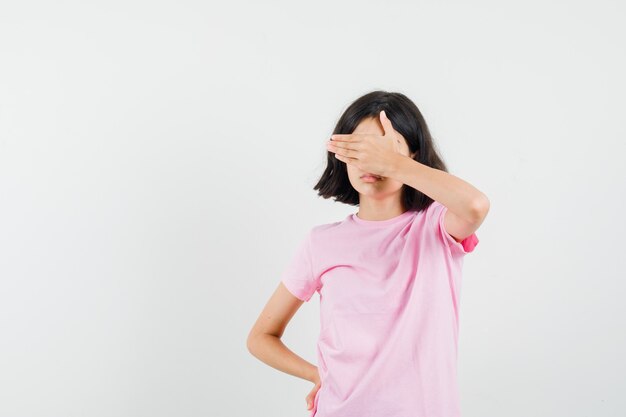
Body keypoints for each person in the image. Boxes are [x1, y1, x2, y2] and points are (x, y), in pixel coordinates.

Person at [247, 90, 489, 417]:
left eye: (383, 147)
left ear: (411, 155)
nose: (370, 160)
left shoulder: (437, 226)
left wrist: (394, 165)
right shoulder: (321, 243)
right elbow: (261, 337)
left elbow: (476, 206)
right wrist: (318, 375)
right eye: (359, 148)